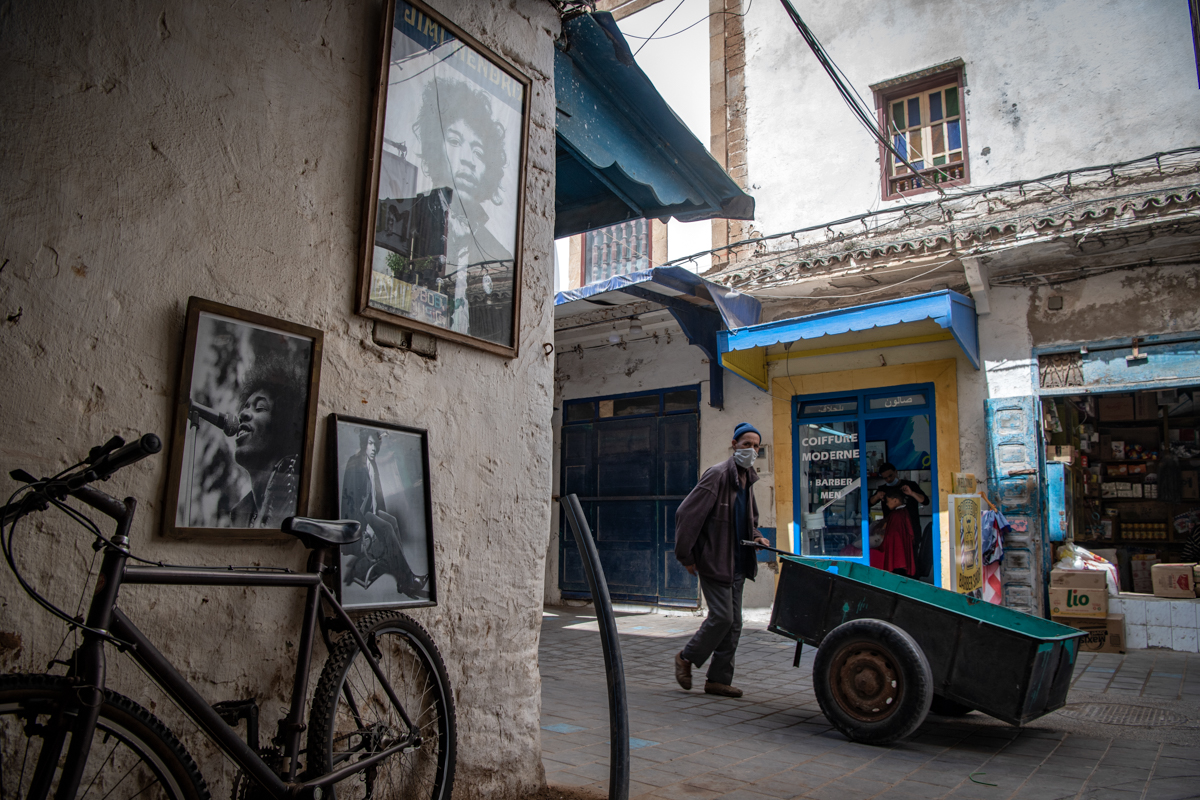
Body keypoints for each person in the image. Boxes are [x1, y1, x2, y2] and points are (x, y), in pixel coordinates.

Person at [672, 422, 771, 698]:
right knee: (723, 617)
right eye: (746, 444)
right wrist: (686, 556)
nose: (751, 449)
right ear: (734, 444)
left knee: (734, 623)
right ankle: (686, 657)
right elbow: (686, 514)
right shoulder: (716, 475)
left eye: (755, 445)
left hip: (739, 561)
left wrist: (758, 536)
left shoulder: (748, 479)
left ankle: (718, 680)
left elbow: (748, 520)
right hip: (715, 560)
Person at [412, 76, 513, 336]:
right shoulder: (410, 218)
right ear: (436, 148)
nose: (467, 161)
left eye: (478, 152)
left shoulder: (497, 252)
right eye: (455, 143)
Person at [340, 429, 427, 598]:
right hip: (361, 517)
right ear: (364, 443)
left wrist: (380, 514)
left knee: (392, 521)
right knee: (387, 528)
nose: (373, 448)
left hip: (371, 511)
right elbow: (350, 502)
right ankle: (408, 578)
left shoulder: (371, 463)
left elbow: (377, 495)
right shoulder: (355, 463)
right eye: (370, 444)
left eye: (376, 445)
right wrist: (366, 529)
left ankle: (401, 574)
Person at [228, 354, 305, 529]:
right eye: (245, 407)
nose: (243, 414)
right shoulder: (240, 513)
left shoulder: (292, 493)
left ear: (282, 424)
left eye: (260, 407)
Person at [868, 462, 930, 576]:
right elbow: (868, 504)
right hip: (891, 531)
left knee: (910, 558)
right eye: (885, 478)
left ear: (896, 472)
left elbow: (925, 501)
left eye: (890, 476)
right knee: (894, 558)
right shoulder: (883, 489)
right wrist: (877, 496)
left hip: (911, 529)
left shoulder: (910, 485)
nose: (888, 479)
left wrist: (911, 493)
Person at [878, 489, 917, 576]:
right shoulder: (904, 512)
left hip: (897, 552)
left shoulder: (896, 515)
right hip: (902, 549)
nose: (887, 504)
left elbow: (892, 535)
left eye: (888, 501)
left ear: (895, 500)